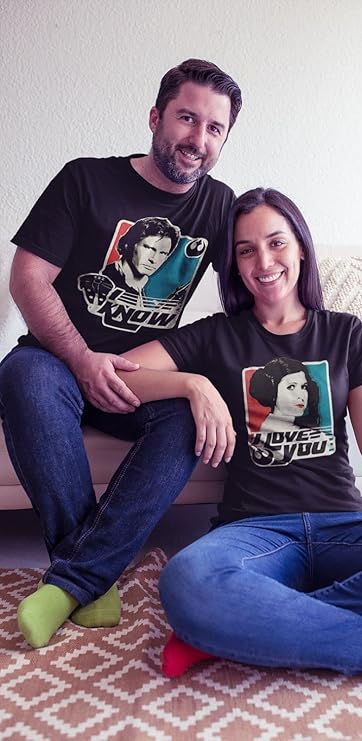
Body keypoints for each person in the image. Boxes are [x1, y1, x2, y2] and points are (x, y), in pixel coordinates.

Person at [115, 187, 362, 680]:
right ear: (235, 266)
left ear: (300, 249)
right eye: (246, 250)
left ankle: (241, 628)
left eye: (276, 243)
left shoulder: (345, 332)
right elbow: (120, 375)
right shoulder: (215, 335)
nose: (264, 261)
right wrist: (192, 384)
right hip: (256, 532)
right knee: (189, 581)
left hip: (346, 528)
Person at [0, 58, 242, 649]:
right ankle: (91, 575)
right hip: (57, 361)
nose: (198, 139)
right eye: (187, 118)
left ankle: (74, 580)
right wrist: (82, 359)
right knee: (22, 378)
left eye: (214, 128)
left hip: (142, 372)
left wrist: (207, 378)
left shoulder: (219, 205)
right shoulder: (85, 180)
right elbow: (28, 278)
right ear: (156, 118)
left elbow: (248, 295)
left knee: (186, 417)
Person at [101, 216, 181, 309]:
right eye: (149, 248)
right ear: (129, 244)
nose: (154, 259)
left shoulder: (140, 291)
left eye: (163, 253)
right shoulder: (104, 279)